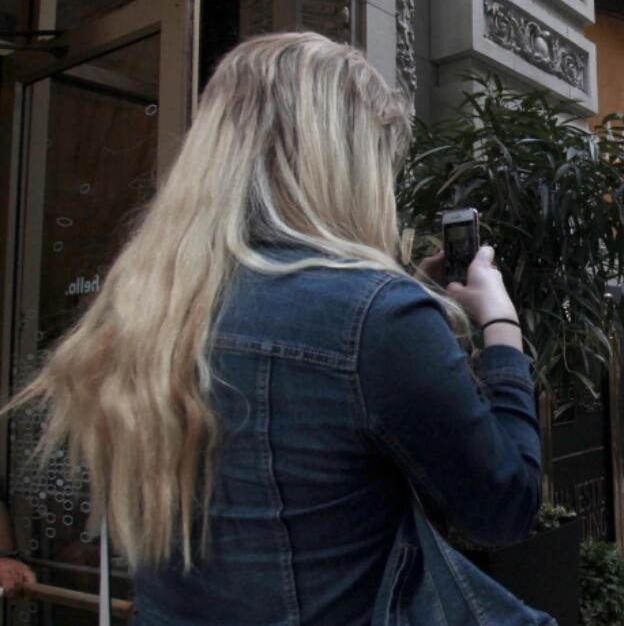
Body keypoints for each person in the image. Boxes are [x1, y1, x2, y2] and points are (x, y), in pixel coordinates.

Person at [4, 33, 546, 624]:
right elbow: (502, 508)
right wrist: (500, 325)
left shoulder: (146, 306)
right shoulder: (377, 318)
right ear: (345, 168)